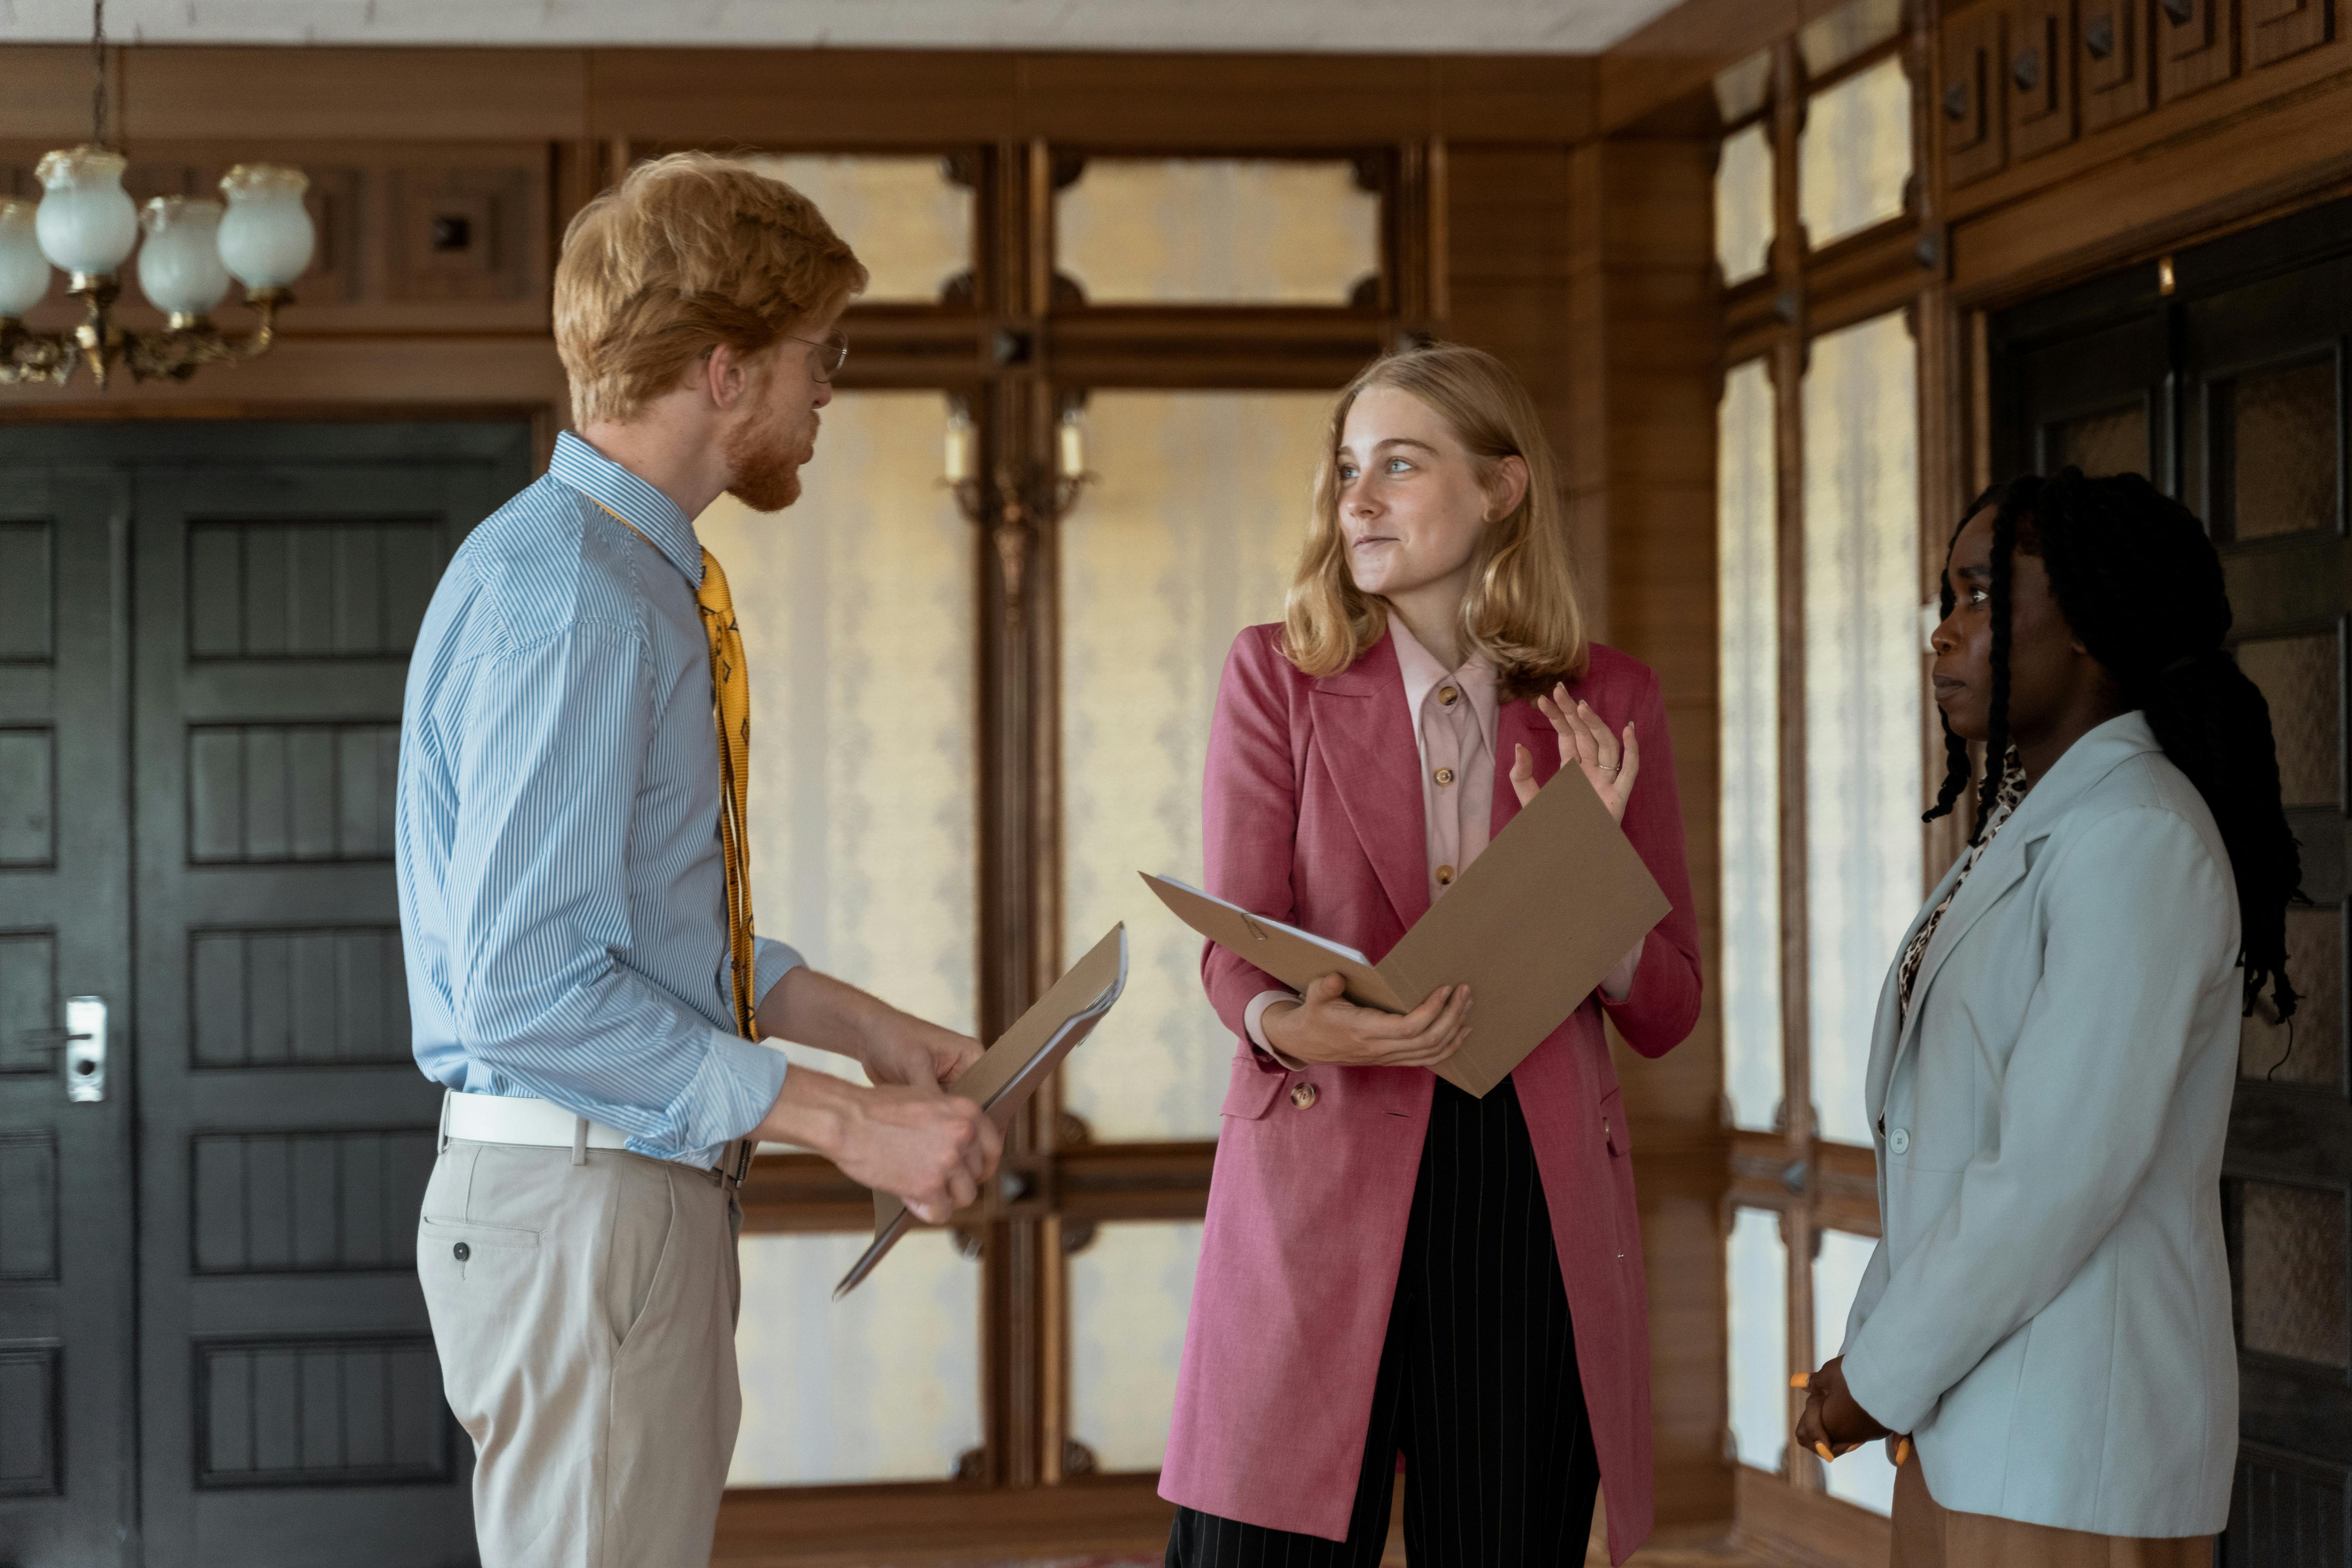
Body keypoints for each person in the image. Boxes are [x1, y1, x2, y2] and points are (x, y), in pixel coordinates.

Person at [394, 153, 1003, 1567]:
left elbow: (635, 936)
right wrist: (847, 1124)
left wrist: (865, 1032)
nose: (827, 390)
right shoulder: (580, 602)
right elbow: (533, 988)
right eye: (816, 355)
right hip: (590, 1203)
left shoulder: (601, 572)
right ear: (724, 371)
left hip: (607, 1200)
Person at [1157, 343, 1703, 1567]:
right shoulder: (1276, 677)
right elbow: (1233, 955)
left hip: (1527, 1192)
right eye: (1349, 469)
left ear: (1503, 488)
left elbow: (1669, 1006)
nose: (1357, 499)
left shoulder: (1609, 701)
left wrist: (1587, 877)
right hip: (1321, 1161)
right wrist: (1294, 1026)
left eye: (1399, 466)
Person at [1794, 469, 2300, 1567]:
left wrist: (1874, 1383)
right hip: (1975, 1428)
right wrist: (1876, 1360)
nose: (1944, 634)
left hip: (2075, 1444)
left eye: (1981, 596)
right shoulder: (2035, 830)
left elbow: (2052, 1176)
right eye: (1948, 598)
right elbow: (1938, 1144)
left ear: (2095, 625)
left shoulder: (2140, 837)